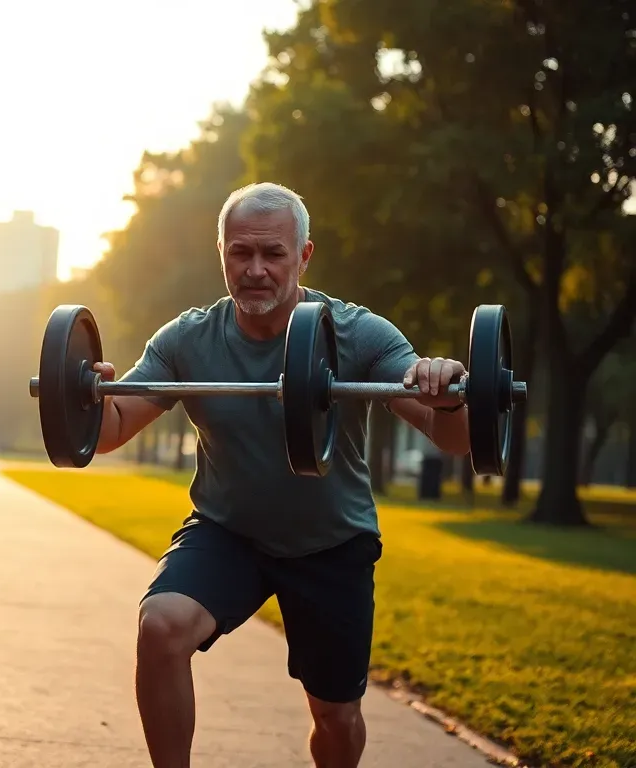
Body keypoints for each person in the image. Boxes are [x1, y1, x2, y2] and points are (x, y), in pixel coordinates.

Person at [90, 182, 472, 768]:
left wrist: (446, 391)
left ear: (305, 255)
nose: (256, 270)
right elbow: (112, 429)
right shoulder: (187, 339)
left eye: (273, 254)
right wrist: (88, 393)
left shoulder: (360, 334)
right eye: (240, 253)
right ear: (221, 252)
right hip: (228, 532)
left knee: (336, 718)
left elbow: (453, 437)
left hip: (331, 542)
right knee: (162, 626)